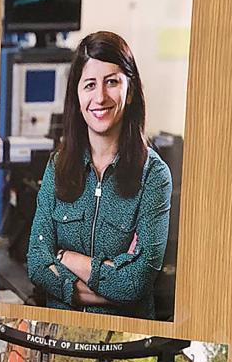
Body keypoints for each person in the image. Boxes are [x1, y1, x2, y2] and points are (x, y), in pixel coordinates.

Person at [26, 32, 172, 319]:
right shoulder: (57, 165)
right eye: (89, 85)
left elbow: (135, 283)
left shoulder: (155, 175)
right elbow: (36, 263)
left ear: (130, 92)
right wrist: (108, 283)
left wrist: (65, 258)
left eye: (112, 82)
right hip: (61, 327)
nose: (100, 97)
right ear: (77, 95)